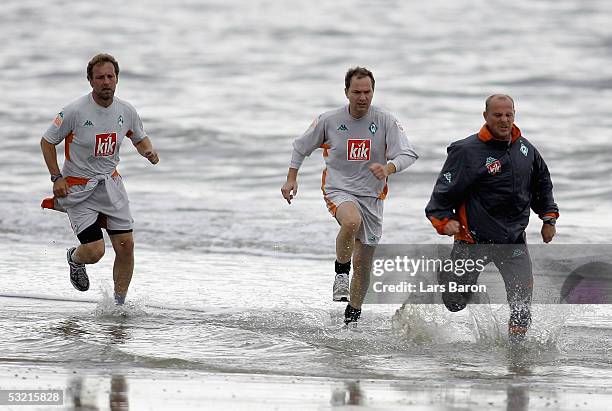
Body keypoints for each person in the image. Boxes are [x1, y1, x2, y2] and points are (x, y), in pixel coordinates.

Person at [281, 67, 418, 325]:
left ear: (373, 92)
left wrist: (388, 167)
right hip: (338, 188)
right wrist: (291, 178)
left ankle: (352, 318)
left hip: (373, 196)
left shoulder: (386, 120)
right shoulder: (329, 120)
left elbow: (408, 154)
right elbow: (301, 146)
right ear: (346, 92)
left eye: (367, 92)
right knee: (351, 221)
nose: (362, 97)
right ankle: (340, 273)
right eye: (357, 92)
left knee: (364, 264)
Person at [425, 94, 558, 341]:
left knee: (521, 304)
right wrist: (445, 221)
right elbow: (441, 196)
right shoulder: (466, 151)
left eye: (509, 114)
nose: (504, 120)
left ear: (514, 115)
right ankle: (445, 274)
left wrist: (548, 218)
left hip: (513, 241)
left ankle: (517, 356)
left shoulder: (526, 149)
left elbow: (542, 184)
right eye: (498, 115)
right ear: (486, 116)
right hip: (473, 241)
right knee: (455, 303)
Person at [40, 53, 159, 305]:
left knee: (126, 245)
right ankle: (74, 258)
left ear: (117, 79)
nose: (106, 81)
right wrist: (56, 177)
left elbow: (139, 137)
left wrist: (147, 150)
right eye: (100, 77)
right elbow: (47, 141)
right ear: (90, 81)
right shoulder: (74, 111)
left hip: (110, 185)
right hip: (79, 188)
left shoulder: (126, 110)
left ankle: (118, 306)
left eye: (110, 76)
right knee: (95, 252)